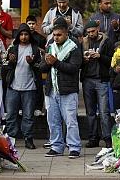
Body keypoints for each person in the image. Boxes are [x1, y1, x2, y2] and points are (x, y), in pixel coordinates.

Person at [40, 17, 82, 159]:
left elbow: (74, 68)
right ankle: (56, 146)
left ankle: (74, 147)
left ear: (66, 33)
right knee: (53, 120)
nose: (56, 37)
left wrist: (55, 62)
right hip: (51, 89)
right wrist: (47, 62)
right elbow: (42, 67)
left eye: (59, 35)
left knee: (70, 121)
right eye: (54, 35)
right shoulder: (50, 46)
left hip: (68, 91)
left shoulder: (74, 47)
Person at [4, 23, 41, 149]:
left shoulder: (35, 49)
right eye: (21, 34)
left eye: (26, 34)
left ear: (29, 35)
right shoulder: (12, 48)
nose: (24, 37)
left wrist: (32, 63)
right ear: (18, 36)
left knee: (28, 115)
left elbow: (40, 67)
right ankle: (10, 139)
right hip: (13, 86)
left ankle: (28, 138)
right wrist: (10, 61)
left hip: (30, 87)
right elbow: (5, 67)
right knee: (10, 115)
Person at [80, 20, 113, 148]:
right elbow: (78, 61)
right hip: (87, 79)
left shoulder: (106, 41)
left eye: (92, 31)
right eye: (88, 32)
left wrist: (99, 56)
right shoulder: (84, 42)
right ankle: (93, 137)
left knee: (104, 112)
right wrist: (84, 59)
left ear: (98, 29)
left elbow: (111, 60)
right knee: (90, 112)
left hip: (101, 79)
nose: (90, 34)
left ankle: (107, 138)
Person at [26, 15, 46, 115]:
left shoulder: (41, 38)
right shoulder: (23, 36)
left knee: (38, 86)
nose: (31, 26)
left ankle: (38, 107)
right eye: (29, 24)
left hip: (37, 65)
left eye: (33, 24)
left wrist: (38, 49)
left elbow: (45, 52)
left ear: (36, 25)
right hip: (25, 65)